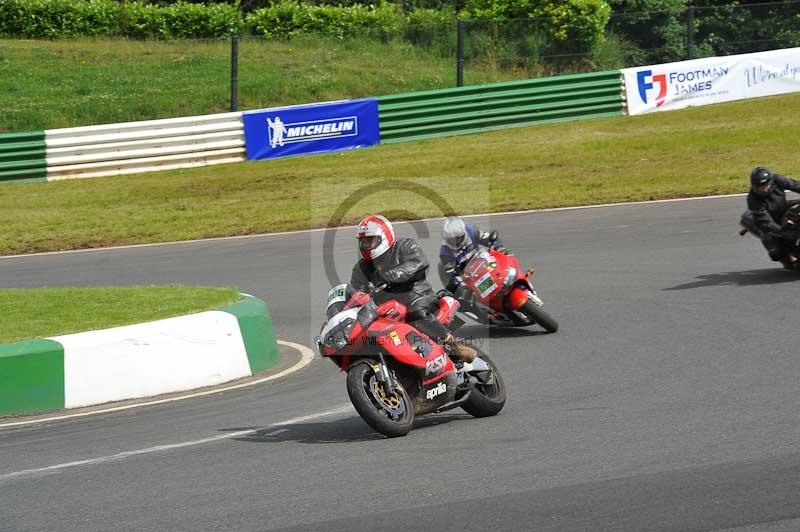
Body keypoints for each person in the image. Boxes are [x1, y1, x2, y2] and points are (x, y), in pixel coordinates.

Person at [349, 214, 476, 362]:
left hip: (416, 296)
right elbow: (356, 291)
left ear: (384, 236)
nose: (366, 245)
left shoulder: (404, 246)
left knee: (416, 312)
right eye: (363, 241)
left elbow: (418, 262)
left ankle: (455, 345)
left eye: (370, 240)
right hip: (384, 310)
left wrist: (392, 275)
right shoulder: (361, 267)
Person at [439, 216, 504, 311]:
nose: (455, 242)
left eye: (457, 238)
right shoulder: (445, 253)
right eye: (451, 240)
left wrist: (498, 248)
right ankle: (486, 312)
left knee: (502, 271)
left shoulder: (472, 230)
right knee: (467, 297)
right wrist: (462, 286)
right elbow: (452, 276)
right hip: (468, 276)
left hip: (484, 262)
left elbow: (490, 239)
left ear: (463, 234)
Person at [744, 166, 800, 267]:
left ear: (771, 181)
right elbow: (766, 222)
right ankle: (789, 256)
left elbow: (796, 185)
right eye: (760, 186)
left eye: (766, 185)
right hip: (771, 221)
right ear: (754, 186)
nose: (764, 189)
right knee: (778, 254)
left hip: (783, 207)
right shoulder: (753, 199)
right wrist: (784, 231)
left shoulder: (777, 179)